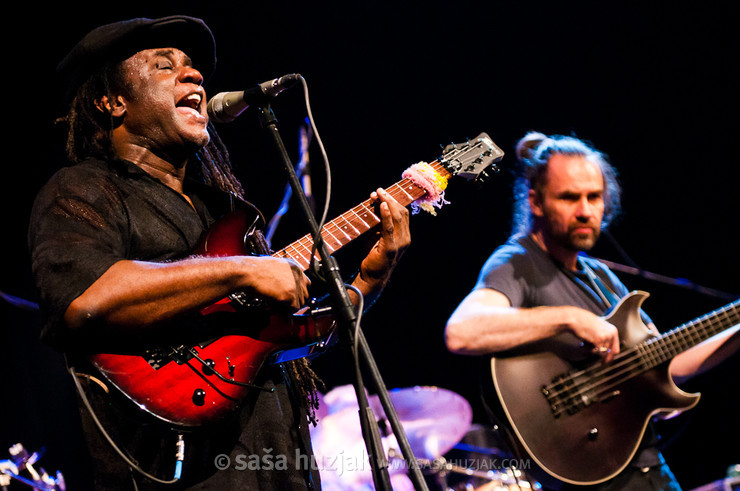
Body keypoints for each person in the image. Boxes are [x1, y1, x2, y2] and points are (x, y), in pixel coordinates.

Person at [28, 16, 410, 490]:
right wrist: (239, 271)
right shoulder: (83, 189)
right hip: (177, 470)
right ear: (112, 102)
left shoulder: (228, 212)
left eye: (192, 68)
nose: (194, 77)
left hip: (280, 463)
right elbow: (86, 299)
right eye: (164, 67)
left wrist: (369, 281)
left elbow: (282, 338)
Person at [444, 131, 739, 490]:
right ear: (536, 202)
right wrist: (569, 317)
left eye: (594, 197)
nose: (585, 210)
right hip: (590, 473)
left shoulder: (601, 276)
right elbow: (463, 331)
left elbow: (666, 364)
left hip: (645, 465)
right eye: (569, 198)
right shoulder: (516, 262)